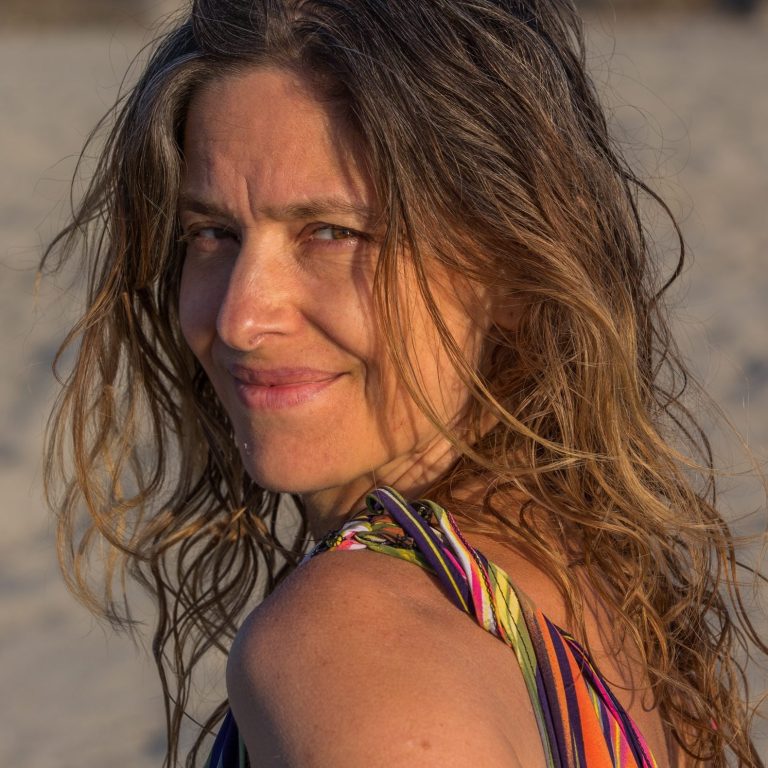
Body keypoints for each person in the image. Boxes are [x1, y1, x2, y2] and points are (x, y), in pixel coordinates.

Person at [41, 1, 766, 766]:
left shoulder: (351, 647)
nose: (241, 318)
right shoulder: (579, 568)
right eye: (212, 233)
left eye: (332, 233)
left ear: (513, 268)